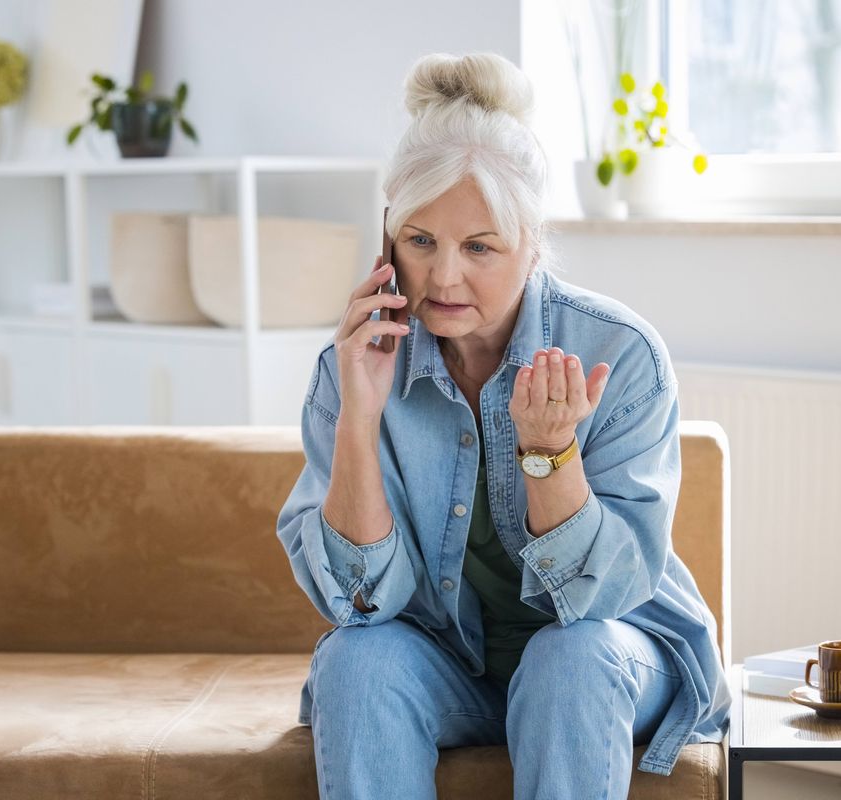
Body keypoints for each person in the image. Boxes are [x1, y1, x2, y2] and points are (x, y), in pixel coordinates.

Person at [274, 51, 731, 800]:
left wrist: (550, 452)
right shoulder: (354, 362)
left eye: (479, 247)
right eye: (419, 241)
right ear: (389, 238)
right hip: (447, 664)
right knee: (357, 661)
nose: (443, 277)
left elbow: (601, 595)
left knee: (567, 658)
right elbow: (358, 602)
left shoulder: (619, 353)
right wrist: (359, 415)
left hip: (609, 650)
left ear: (533, 242)